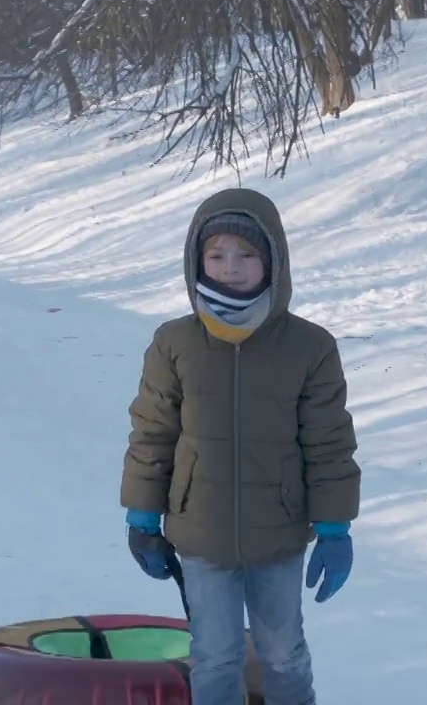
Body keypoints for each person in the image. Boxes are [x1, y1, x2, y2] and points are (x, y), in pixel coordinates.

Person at [119, 187, 361, 705]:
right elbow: (153, 432)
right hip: (200, 533)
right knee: (215, 655)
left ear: (273, 259)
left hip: (278, 533)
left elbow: (328, 441)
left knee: (282, 653)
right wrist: (142, 516)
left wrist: (335, 525)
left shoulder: (309, 347)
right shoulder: (174, 343)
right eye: (217, 254)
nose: (231, 266)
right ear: (196, 261)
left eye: (246, 253)